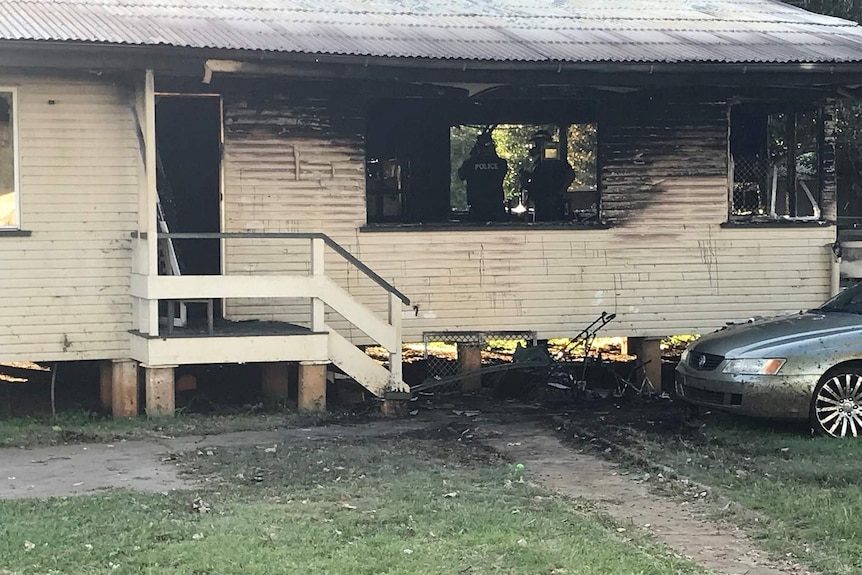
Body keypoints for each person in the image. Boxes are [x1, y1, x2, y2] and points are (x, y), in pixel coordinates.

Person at [520, 130, 575, 222]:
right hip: (540, 200)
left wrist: (560, 191)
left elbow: (570, 174)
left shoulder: (554, 160)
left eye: (536, 144)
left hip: (551, 202)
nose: (534, 147)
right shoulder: (537, 162)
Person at [457, 132, 508, 222]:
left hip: (478, 206)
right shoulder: (501, 163)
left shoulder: (470, 163)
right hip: (496, 205)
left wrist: (474, 157)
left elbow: (461, 175)